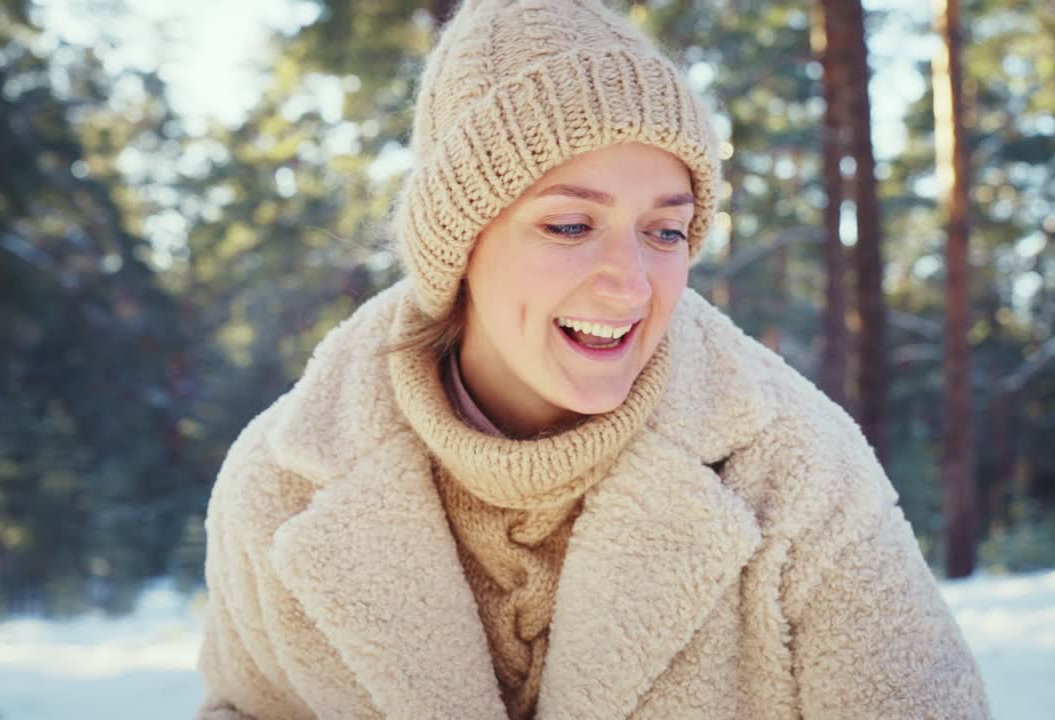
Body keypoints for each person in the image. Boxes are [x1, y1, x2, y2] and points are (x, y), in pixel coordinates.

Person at [195, 0, 991, 718]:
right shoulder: (278, 487)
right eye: (571, 226)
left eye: (665, 231)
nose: (631, 284)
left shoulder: (801, 470)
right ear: (458, 245)